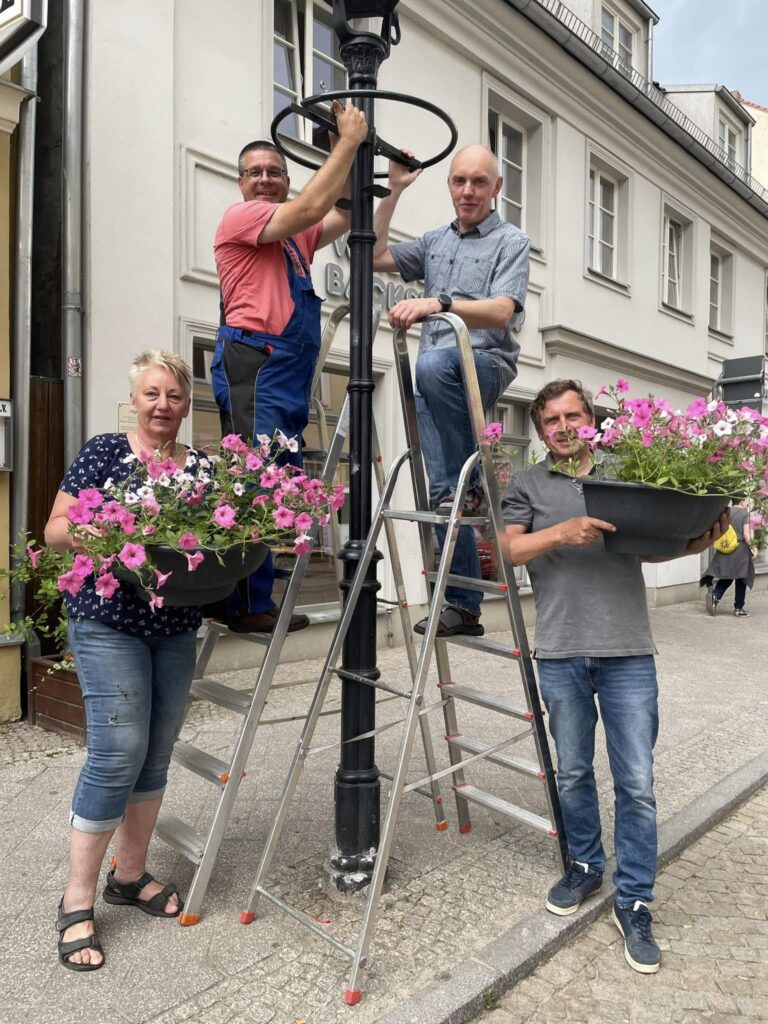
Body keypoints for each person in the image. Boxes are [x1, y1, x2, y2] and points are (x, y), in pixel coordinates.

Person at [501, 379, 727, 975]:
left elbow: (643, 548)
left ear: (591, 419)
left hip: (628, 651)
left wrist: (693, 544)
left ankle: (635, 900)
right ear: (541, 430)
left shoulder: (624, 472)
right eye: (552, 420)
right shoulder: (527, 484)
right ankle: (585, 866)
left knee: (637, 783)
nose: (564, 427)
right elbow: (509, 551)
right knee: (574, 772)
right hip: (560, 651)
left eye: (573, 415)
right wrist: (562, 531)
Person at [46, 351, 202, 971]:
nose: (163, 405)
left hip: (174, 624)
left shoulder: (202, 468)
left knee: (156, 750)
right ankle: (76, 899)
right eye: (152, 394)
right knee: (117, 752)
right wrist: (101, 534)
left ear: (186, 405)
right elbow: (56, 529)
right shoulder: (106, 452)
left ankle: (129, 876)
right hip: (107, 619)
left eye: (175, 395)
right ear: (134, 400)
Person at [211, 101, 368, 634]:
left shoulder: (295, 237)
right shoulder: (242, 218)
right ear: (241, 183)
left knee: (278, 484)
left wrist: (377, 175)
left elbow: (344, 214)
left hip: (286, 372)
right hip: (256, 362)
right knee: (255, 480)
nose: (265, 179)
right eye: (254, 172)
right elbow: (311, 206)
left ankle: (255, 597)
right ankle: (241, 604)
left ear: (286, 180)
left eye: (274, 172)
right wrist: (347, 142)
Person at [372, 144, 530, 637]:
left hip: (484, 363)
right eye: (460, 181)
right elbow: (374, 254)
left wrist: (438, 303)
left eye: (479, 182)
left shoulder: (510, 240)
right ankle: (463, 606)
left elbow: (502, 312)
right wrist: (395, 189)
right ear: (449, 185)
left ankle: (475, 481)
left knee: (436, 361)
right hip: (434, 380)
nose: (468, 191)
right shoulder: (435, 241)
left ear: (496, 187)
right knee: (445, 492)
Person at [701, 497, 756, 616]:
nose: (747, 504)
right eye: (746, 501)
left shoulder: (724, 512)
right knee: (741, 579)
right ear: (742, 501)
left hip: (725, 548)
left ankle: (715, 597)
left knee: (727, 577)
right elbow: (746, 535)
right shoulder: (744, 514)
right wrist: (753, 547)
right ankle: (739, 608)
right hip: (740, 549)